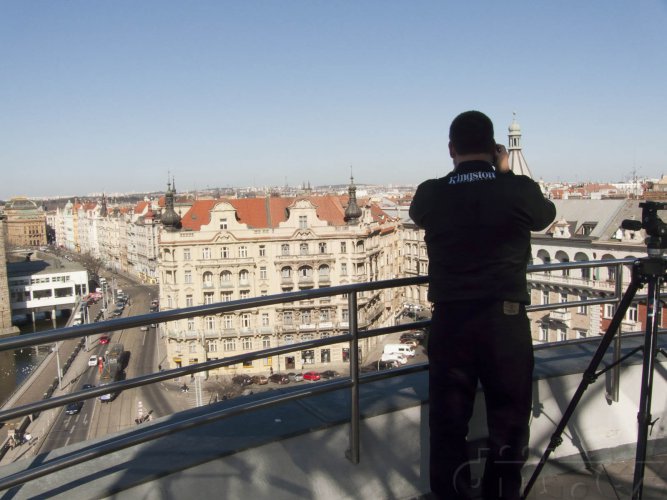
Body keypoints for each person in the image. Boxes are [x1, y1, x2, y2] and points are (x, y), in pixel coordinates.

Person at [410, 111, 556, 500]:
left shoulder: (430, 193)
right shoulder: (517, 189)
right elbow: (545, 216)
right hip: (503, 323)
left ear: (451, 149)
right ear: (494, 148)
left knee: (448, 423)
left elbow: (417, 214)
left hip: (452, 323)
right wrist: (504, 173)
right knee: (508, 423)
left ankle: (453, 495)